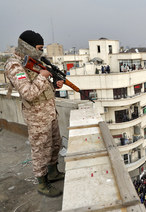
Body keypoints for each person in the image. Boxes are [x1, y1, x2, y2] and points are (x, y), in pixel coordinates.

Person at [4, 30, 65, 197]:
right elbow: (28, 93)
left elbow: (43, 88)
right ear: (27, 46)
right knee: (40, 150)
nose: (41, 52)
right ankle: (42, 183)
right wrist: (42, 77)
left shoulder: (33, 61)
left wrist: (54, 85)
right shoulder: (14, 65)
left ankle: (53, 173)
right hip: (37, 116)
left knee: (54, 144)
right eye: (38, 48)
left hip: (50, 112)